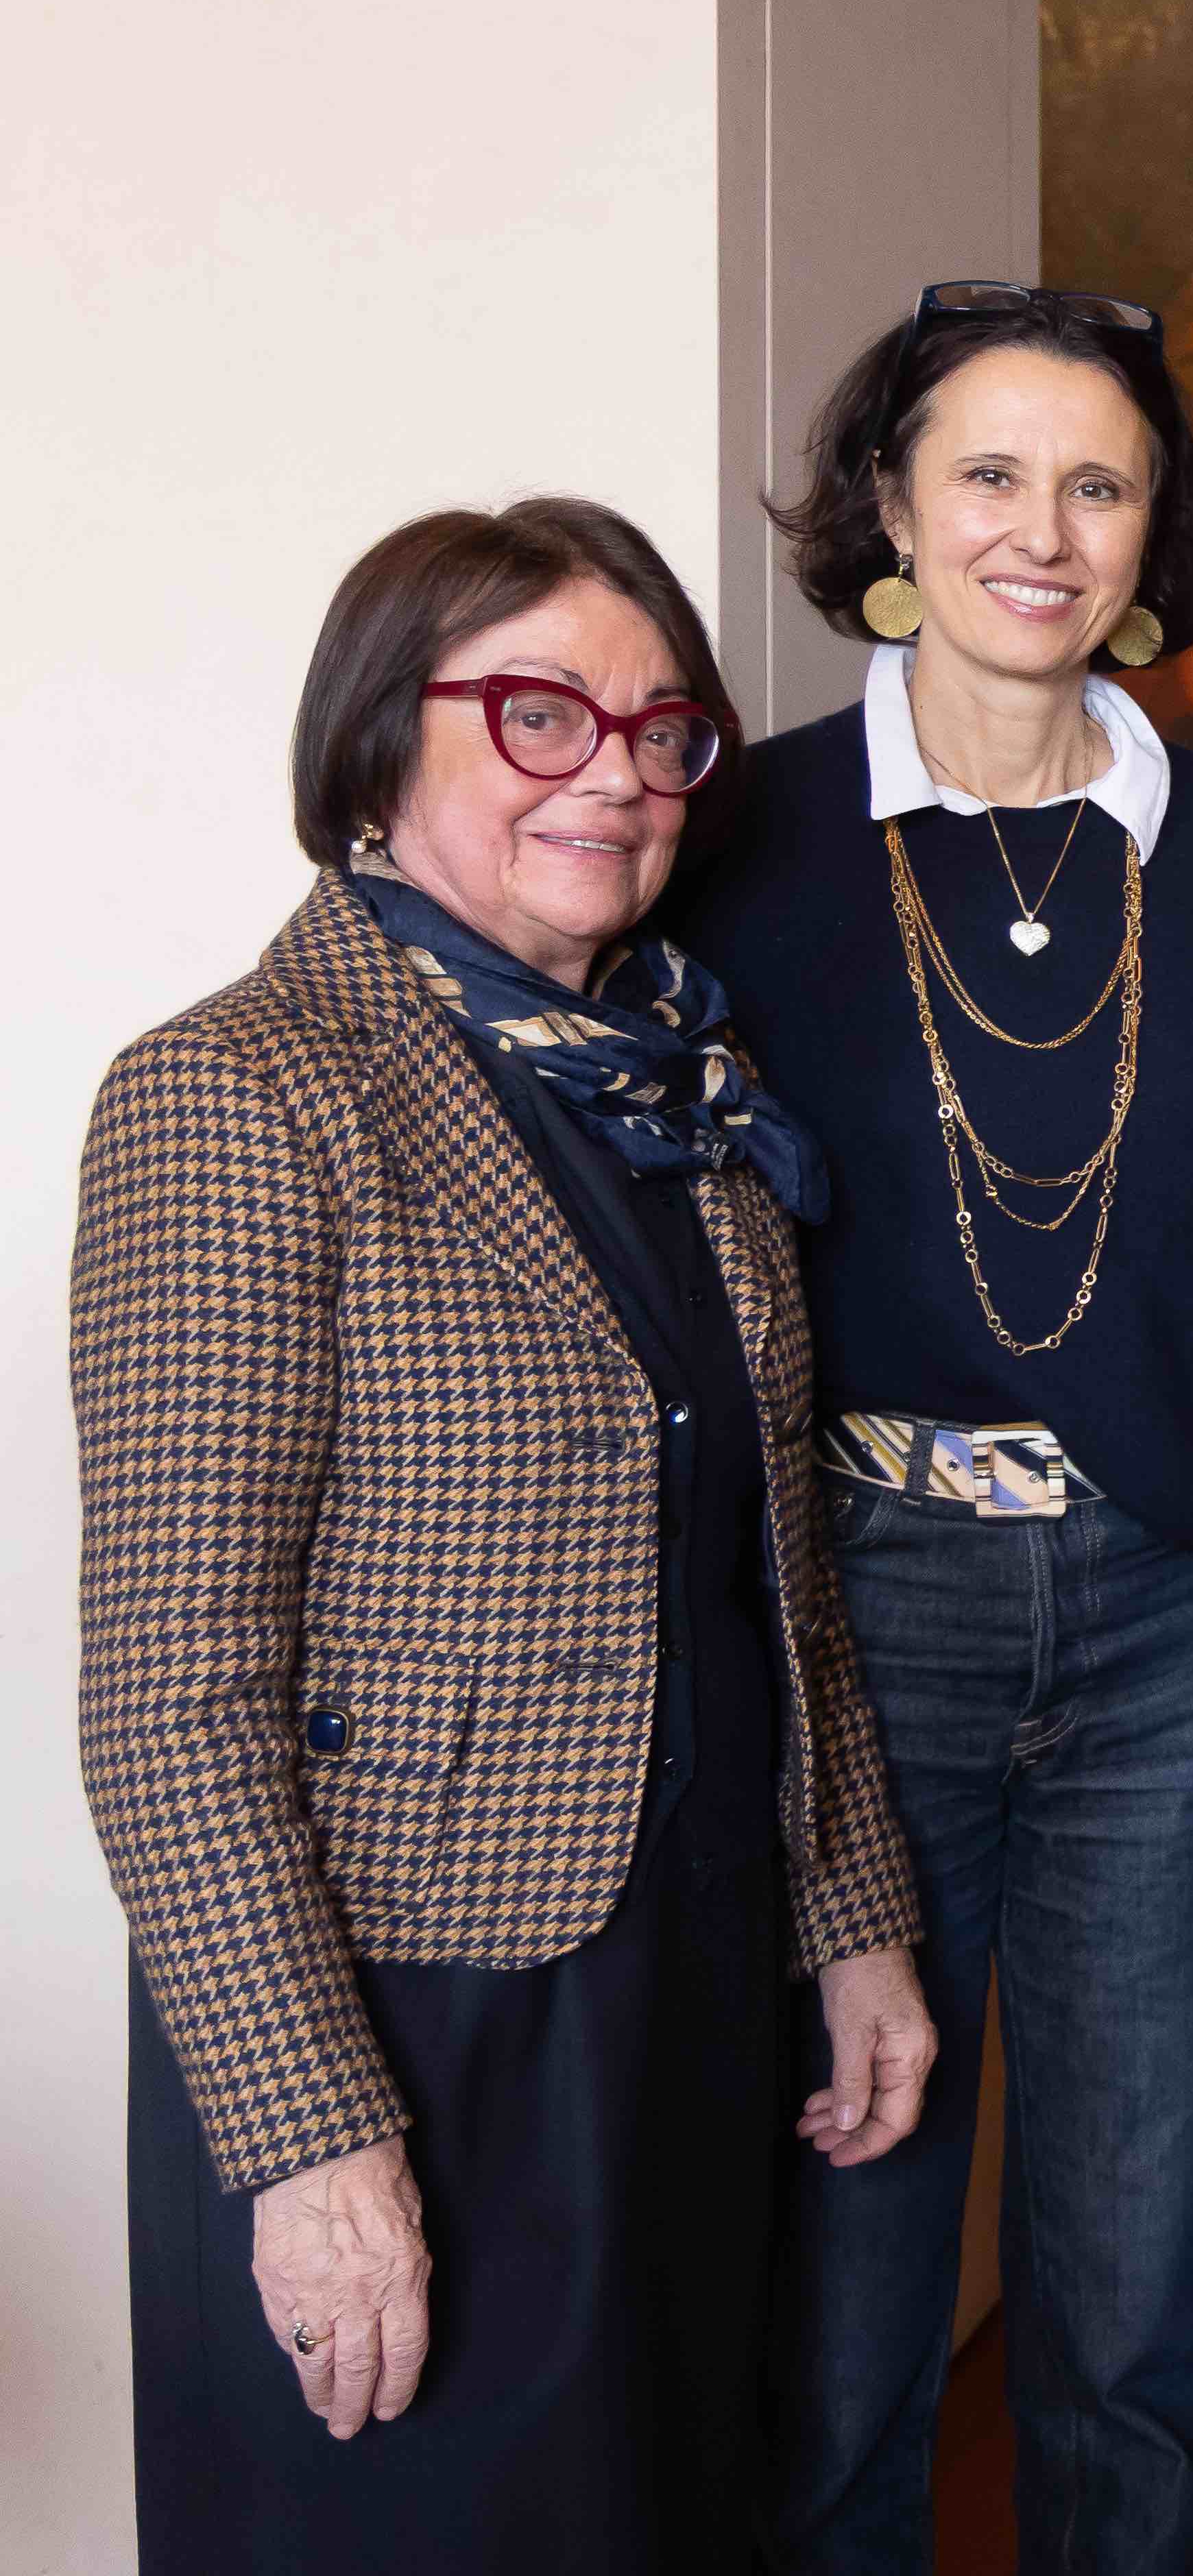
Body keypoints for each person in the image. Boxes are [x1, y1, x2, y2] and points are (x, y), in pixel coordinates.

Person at [73, 498, 933, 2572]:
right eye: (541, 715)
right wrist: (310, 2138)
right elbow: (174, 1696)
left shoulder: (686, 1082)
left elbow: (772, 1573)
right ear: (381, 741)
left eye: (661, 732)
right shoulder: (240, 1094)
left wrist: (854, 1919)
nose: (616, 776)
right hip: (414, 2013)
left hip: (696, 1980)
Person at [674, 282, 1193, 2573]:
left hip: (1172, 1621)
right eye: (987, 474)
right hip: (860, 1616)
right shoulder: (741, 837)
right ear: (890, 507)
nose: (1042, 534)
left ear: (1156, 532)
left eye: (1100, 485)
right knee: (844, 2288)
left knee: (1138, 2300)